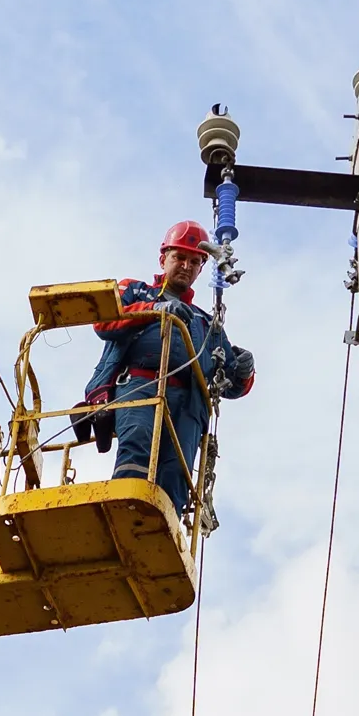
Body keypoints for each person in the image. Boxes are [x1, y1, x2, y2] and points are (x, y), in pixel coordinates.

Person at [80, 220, 255, 514]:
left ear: (201, 268)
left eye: (194, 261)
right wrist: (153, 310)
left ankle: (163, 530)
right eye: (179, 258)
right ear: (164, 259)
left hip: (188, 405)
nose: (186, 266)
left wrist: (244, 370)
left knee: (176, 473)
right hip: (139, 386)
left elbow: (232, 385)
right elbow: (104, 321)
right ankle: (125, 513)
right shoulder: (135, 291)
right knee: (138, 443)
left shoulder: (206, 324)